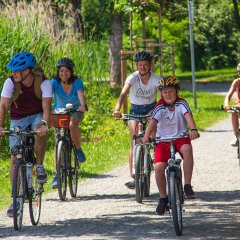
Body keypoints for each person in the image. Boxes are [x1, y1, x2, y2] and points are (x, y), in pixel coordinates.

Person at [0, 52, 52, 217]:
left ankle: (41, 166)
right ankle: (16, 200)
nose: (14, 73)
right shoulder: (10, 82)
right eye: (13, 70)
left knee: (39, 132)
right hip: (18, 118)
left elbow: (46, 107)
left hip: (37, 115)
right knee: (15, 158)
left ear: (28, 71)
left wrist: (44, 124)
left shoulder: (44, 82)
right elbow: (3, 105)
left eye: (18, 70)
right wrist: (0, 125)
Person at [142, 75, 199, 215]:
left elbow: (188, 117)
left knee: (187, 149)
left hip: (180, 137)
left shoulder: (182, 103)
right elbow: (153, 122)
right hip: (162, 141)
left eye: (171, 91)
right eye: (165, 92)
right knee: (159, 167)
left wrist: (193, 130)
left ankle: (187, 186)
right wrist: (145, 137)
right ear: (161, 93)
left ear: (177, 91)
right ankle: (163, 198)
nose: (168, 95)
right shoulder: (159, 106)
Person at [113, 50, 160, 189]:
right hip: (135, 109)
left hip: (151, 108)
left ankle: (157, 159)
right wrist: (117, 109)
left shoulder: (156, 79)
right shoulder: (132, 78)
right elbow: (123, 93)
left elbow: (163, 94)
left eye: (145, 64)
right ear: (136, 66)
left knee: (154, 136)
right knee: (135, 138)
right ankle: (134, 174)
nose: (142, 67)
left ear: (150, 65)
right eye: (140, 65)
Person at [51, 57, 87, 188]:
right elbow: (47, 96)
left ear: (71, 72)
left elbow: (80, 94)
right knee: (57, 142)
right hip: (58, 113)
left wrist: (82, 105)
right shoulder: (54, 82)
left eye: (66, 71)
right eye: (61, 71)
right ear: (58, 72)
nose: (64, 73)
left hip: (75, 111)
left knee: (72, 125)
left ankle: (77, 149)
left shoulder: (77, 81)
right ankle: (57, 174)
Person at [223, 63, 240, 147]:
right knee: (234, 111)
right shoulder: (237, 82)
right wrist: (226, 105)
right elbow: (228, 95)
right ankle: (237, 136)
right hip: (239, 104)